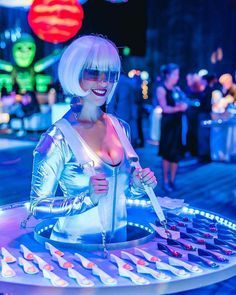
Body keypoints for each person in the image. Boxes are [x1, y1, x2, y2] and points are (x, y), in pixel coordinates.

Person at [29, 35, 157, 245]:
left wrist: (138, 185)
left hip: (120, 246)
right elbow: (37, 207)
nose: (104, 81)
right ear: (74, 72)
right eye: (93, 72)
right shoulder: (57, 137)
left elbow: (123, 190)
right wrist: (87, 199)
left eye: (111, 74)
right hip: (73, 250)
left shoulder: (120, 127)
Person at [156, 63, 188, 193]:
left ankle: (172, 180)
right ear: (168, 75)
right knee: (167, 153)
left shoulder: (177, 89)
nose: (177, 77)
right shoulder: (161, 89)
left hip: (177, 123)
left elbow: (185, 100)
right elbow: (164, 108)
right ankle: (165, 180)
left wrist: (184, 104)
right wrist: (179, 108)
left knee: (176, 153)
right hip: (168, 124)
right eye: (175, 74)